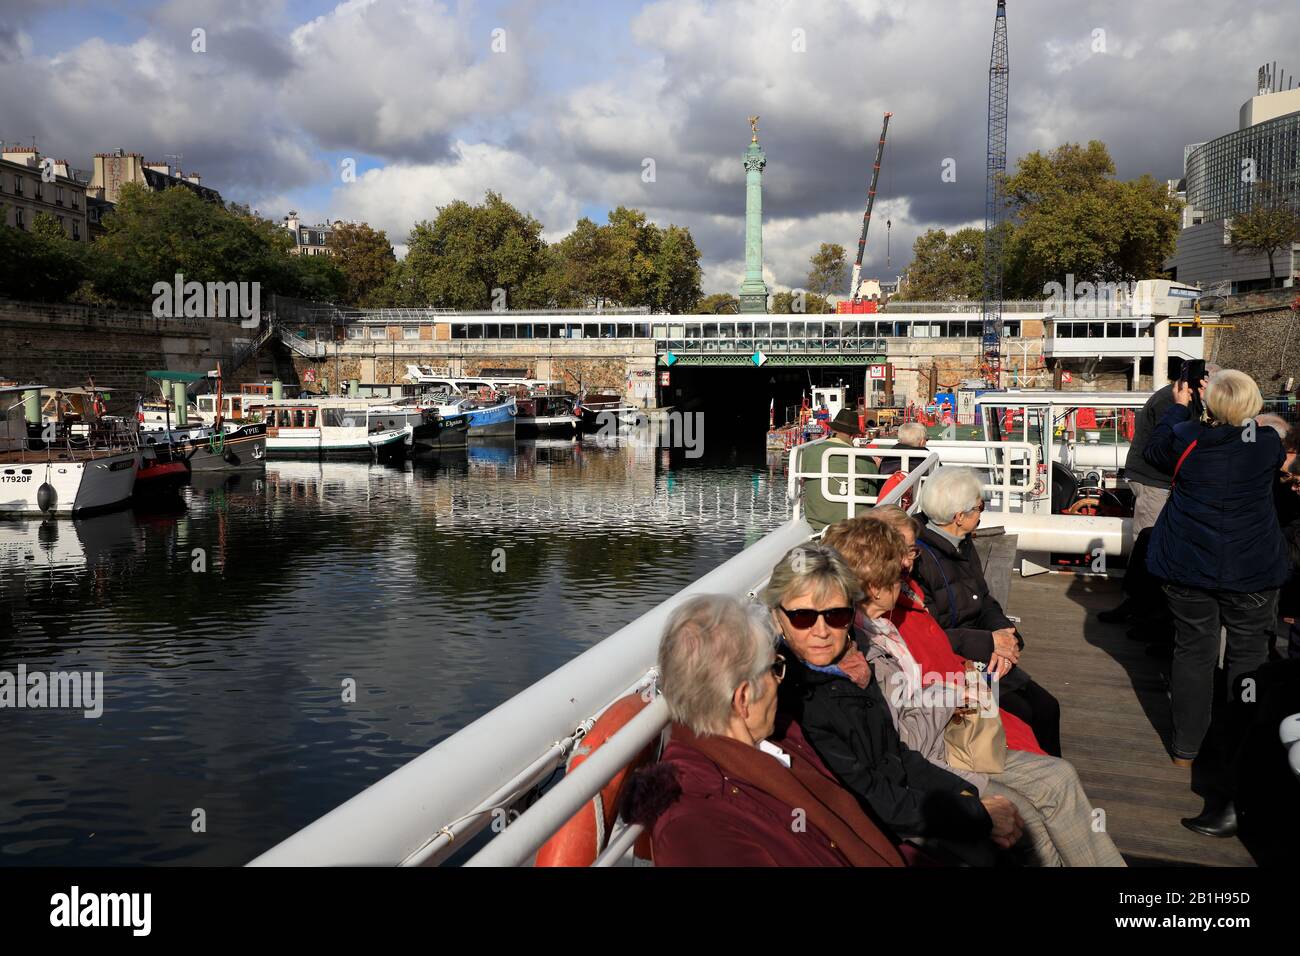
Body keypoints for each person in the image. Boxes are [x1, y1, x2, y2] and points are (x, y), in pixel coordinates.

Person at [818, 523, 1124, 866]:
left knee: (1060, 775)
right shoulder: (863, 650)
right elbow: (907, 742)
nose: (905, 572)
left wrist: (950, 688)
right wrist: (947, 695)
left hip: (948, 743)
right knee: (1029, 822)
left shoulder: (883, 628)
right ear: (873, 588)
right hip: (936, 760)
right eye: (895, 574)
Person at [762, 545, 1024, 865]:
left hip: (903, 803)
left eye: (836, 614)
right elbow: (868, 798)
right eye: (803, 616)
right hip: (874, 829)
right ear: (778, 616)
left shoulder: (853, 665)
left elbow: (896, 753)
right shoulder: (794, 696)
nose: (822, 631)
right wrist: (975, 814)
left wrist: (966, 795)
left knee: (1013, 826)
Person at [624, 593, 906, 867]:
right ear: (743, 699)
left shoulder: (780, 738)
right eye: (775, 668)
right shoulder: (697, 829)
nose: (779, 681)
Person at [1144, 368, 1289, 835]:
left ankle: (1186, 748)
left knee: (1194, 651)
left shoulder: (1186, 436)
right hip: (1250, 569)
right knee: (1248, 660)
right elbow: (1253, 437)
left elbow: (1156, 448)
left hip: (1188, 565)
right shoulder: (1265, 444)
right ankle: (1237, 745)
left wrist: (1183, 404)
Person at [830, 505, 1045, 756]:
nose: (909, 561)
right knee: (1036, 725)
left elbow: (981, 601)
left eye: (913, 550)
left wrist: (1000, 635)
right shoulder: (878, 624)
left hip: (960, 687)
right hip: (946, 720)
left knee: (1039, 712)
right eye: (903, 552)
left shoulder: (905, 597)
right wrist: (985, 649)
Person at [911, 466, 1063, 757]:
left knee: (1047, 707)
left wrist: (1007, 636)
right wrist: (992, 644)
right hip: (952, 667)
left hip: (983, 656)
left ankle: (1049, 775)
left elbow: (983, 601)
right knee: (1025, 715)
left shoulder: (962, 544)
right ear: (959, 517)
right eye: (980, 507)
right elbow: (930, 636)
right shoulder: (919, 560)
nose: (982, 513)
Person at [1102, 361, 1218, 626]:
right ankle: (1138, 606)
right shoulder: (1171, 402)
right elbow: (1165, 448)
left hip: (1159, 481)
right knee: (1148, 542)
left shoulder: (1179, 399)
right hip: (1154, 482)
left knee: (1151, 541)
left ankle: (1146, 607)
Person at [795, 407, 880, 531]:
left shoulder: (809, 452)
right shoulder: (864, 459)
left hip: (817, 520)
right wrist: (874, 466)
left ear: (833, 429)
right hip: (855, 524)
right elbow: (873, 496)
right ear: (853, 435)